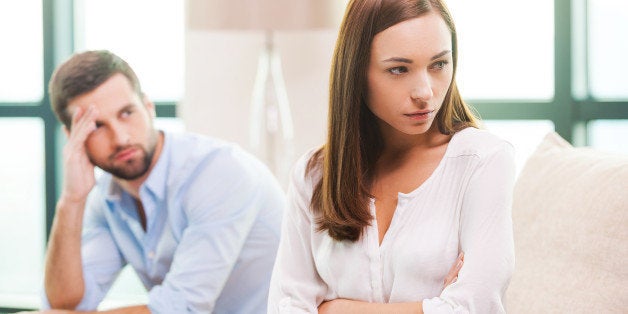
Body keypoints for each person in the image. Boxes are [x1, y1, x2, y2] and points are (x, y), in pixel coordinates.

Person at [267, 0, 516, 313]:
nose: (424, 92)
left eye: (439, 64)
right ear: (357, 72)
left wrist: (334, 309)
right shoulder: (313, 175)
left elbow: (475, 307)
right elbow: (284, 306)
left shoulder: (483, 161)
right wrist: (431, 306)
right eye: (399, 69)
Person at [41, 50, 285, 313]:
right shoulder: (106, 198)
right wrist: (71, 200)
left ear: (148, 107)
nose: (121, 137)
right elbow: (67, 303)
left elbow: (183, 308)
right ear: (73, 136)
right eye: (97, 126)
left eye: (126, 113)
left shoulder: (220, 172)